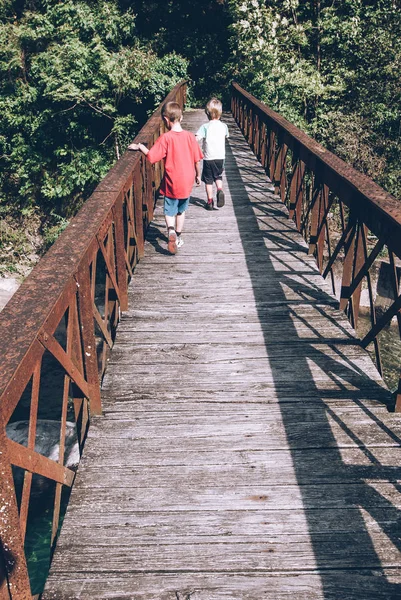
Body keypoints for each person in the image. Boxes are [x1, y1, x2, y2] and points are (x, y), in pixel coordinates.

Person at [128, 101, 203, 254]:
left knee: (169, 211)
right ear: (181, 118)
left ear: (166, 120)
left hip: (172, 182)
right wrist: (198, 176)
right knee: (181, 211)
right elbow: (197, 160)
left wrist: (140, 147)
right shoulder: (190, 137)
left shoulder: (166, 138)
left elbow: (152, 157)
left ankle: (171, 231)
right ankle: (179, 236)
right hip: (187, 181)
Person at [195, 97, 229, 211]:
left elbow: (197, 138)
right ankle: (219, 189)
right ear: (220, 113)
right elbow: (226, 136)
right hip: (220, 157)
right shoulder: (224, 126)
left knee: (208, 180)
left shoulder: (205, 127)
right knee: (218, 176)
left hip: (208, 158)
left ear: (207, 113)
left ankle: (209, 201)